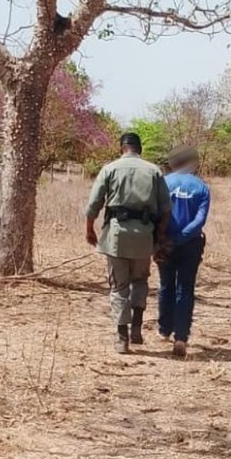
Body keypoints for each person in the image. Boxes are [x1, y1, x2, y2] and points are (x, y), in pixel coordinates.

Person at [85, 132, 171, 354]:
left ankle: (122, 337)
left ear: (122, 148)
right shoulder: (154, 171)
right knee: (140, 280)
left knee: (119, 285)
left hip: (117, 235)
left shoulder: (110, 169)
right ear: (139, 149)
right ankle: (137, 328)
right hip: (144, 236)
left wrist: (90, 230)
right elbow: (166, 210)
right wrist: (159, 237)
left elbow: (94, 204)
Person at [157, 146, 210, 357]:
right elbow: (200, 220)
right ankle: (181, 336)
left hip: (164, 242)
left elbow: (154, 212)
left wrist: (163, 239)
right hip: (191, 244)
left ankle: (164, 329)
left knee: (165, 285)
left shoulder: (163, 183)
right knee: (185, 289)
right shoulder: (202, 188)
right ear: (193, 163)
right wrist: (182, 237)